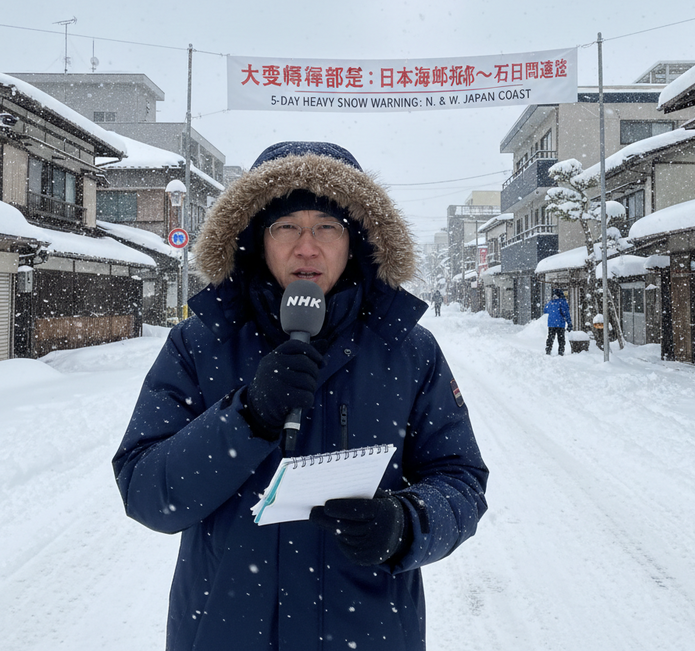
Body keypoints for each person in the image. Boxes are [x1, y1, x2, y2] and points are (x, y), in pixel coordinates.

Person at [112, 141, 489, 651]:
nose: (306, 248)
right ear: (256, 239)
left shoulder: (407, 349)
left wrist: (406, 523)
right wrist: (248, 417)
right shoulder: (200, 342)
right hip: (226, 632)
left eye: (326, 228)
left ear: (356, 240)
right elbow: (146, 491)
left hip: (371, 631)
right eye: (285, 226)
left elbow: (460, 480)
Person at [543, 287, 572, 356]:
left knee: (550, 337)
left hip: (551, 323)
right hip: (560, 324)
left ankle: (548, 350)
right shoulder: (562, 302)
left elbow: (545, 310)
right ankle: (561, 352)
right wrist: (569, 323)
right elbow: (566, 313)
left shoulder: (550, 303)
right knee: (561, 338)